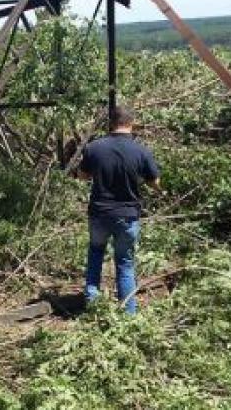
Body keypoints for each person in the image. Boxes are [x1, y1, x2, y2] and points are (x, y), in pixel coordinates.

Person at [77, 106, 161, 314]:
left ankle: (93, 306)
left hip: (99, 214)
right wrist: (156, 187)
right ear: (131, 123)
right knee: (124, 263)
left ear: (110, 124)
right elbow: (155, 181)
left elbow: (82, 175)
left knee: (96, 253)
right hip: (128, 216)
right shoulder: (140, 150)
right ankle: (129, 314)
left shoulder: (94, 148)